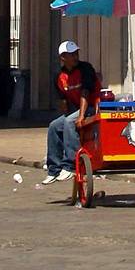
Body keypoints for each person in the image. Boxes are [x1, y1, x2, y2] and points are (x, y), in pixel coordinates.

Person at [42, 40, 100, 185]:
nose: (75, 57)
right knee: (54, 126)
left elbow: (85, 93)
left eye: (76, 53)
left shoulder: (85, 68)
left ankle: (70, 164)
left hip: (92, 107)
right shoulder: (59, 77)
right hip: (75, 110)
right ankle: (53, 170)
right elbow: (63, 100)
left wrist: (81, 116)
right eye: (71, 54)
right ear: (63, 57)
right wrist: (64, 108)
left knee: (69, 122)